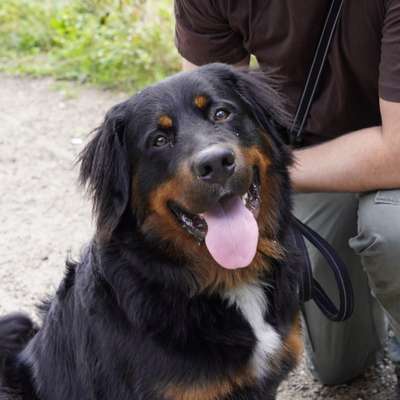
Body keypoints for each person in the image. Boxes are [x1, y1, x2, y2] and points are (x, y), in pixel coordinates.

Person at [173, 0, 400, 386]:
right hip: (319, 162)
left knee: (390, 231)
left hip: (388, 158)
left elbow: (397, 153)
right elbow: (196, 121)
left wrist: (268, 170)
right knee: (338, 368)